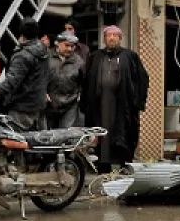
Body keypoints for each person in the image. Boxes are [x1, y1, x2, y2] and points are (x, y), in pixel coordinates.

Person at [82, 24, 150, 168]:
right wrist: (85, 102)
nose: (112, 38)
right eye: (109, 35)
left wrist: (138, 100)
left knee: (122, 132)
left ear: (120, 38)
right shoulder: (95, 56)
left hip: (122, 103)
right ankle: (103, 164)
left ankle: (122, 164)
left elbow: (142, 78)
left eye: (115, 35)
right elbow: (86, 79)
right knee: (101, 132)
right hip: (100, 103)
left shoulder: (129, 56)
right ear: (104, 39)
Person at [0, 19, 50, 132]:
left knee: (13, 140)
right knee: (38, 141)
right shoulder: (43, 50)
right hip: (38, 106)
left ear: (22, 34)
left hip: (22, 109)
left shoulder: (23, 56)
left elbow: (10, 83)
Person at [46, 31, 87, 129]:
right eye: (67, 45)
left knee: (66, 132)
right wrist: (43, 92)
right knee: (50, 134)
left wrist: (80, 94)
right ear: (58, 44)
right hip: (49, 103)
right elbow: (39, 78)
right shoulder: (47, 58)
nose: (69, 49)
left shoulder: (78, 61)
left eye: (72, 46)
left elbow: (84, 81)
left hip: (70, 103)